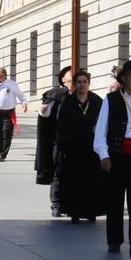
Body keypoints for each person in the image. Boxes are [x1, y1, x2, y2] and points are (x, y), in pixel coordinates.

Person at [95, 60, 131, 255]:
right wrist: (104, 155)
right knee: (115, 202)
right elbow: (101, 131)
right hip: (117, 157)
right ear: (124, 79)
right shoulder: (111, 99)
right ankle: (114, 241)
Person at [56, 70, 105, 222]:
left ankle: (92, 211)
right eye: (79, 82)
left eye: (85, 82)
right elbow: (61, 123)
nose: (82, 85)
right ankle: (74, 211)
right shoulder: (68, 101)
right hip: (73, 147)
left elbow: (104, 123)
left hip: (92, 148)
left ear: (89, 83)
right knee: (74, 181)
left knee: (92, 180)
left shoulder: (97, 101)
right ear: (74, 84)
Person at [36, 66, 73, 216]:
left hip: (79, 141)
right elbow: (45, 113)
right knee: (58, 171)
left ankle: (72, 203)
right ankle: (56, 203)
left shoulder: (86, 95)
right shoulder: (56, 94)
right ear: (63, 79)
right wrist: (42, 111)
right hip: (60, 141)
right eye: (70, 73)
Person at [0, 66, 28, 161]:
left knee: (6, 133)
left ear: (4, 75)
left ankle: (3, 155)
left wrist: (24, 103)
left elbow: (20, 95)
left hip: (8, 114)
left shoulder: (12, 84)